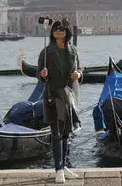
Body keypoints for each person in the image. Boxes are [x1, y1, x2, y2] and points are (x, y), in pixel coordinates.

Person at [37, 19, 82, 184]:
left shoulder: (73, 50)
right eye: (55, 29)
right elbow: (39, 74)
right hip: (53, 95)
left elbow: (80, 68)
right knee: (56, 133)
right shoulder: (46, 52)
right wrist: (42, 75)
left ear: (66, 32)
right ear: (52, 32)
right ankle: (58, 169)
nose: (58, 32)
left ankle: (64, 166)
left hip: (69, 95)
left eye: (61, 29)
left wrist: (78, 74)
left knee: (66, 133)